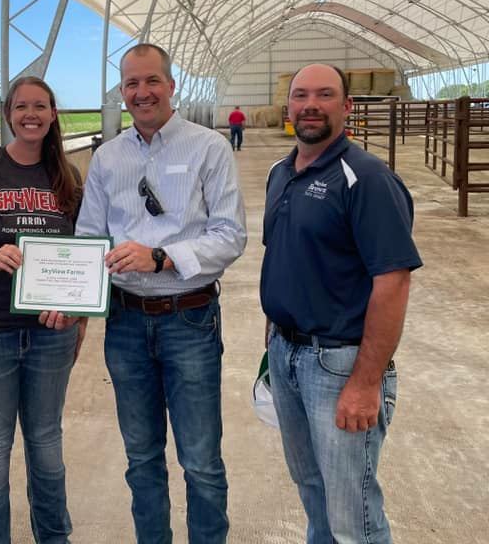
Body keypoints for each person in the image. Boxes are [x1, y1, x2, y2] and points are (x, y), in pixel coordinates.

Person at [76, 43, 247, 544]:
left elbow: (229, 235)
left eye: (152, 81)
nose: (142, 92)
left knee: (200, 458)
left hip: (188, 318)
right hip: (126, 322)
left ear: (171, 85)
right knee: (141, 456)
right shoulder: (108, 158)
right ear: (122, 91)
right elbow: (89, 237)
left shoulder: (208, 147)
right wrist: (70, 295)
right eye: (131, 83)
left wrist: (162, 256)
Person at [260, 63, 422, 544]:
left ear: (347, 106)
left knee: (354, 513)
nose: (310, 104)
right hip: (287, 355)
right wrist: (271, 329)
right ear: (288, 106)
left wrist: (366, 382)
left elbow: (392, 283)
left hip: (338, 363)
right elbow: (284, 255)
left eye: (325, 95)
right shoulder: (279, 172)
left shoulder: (366, 179)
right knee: (313, 491)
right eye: (300, 95)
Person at [0, 76, 86, 544]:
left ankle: (54, 536)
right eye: (21, 106)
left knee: (46, 443)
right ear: (8, 114)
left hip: (50, 332)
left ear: (52, 115)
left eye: (40, 106)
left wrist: (77, 316)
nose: (31, 114)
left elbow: (83, 257)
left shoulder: (67, 176)